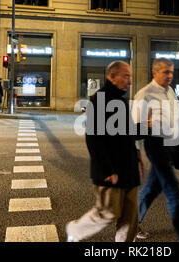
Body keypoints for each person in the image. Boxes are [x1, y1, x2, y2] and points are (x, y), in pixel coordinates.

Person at [65, 61, 143, 242]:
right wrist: (107, 169)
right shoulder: (99, 100)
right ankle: (75, 230)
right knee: (108, 213)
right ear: (111, 76)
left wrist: (138, 157)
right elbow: (93, 139)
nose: (129, 81)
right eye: (126, 76)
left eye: (130, 76)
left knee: (130, 218)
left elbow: (128, 133)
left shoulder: (121, 101)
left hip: (129, 170)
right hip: (111, 171)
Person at [132, 58, 179, 242]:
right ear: (155, 72)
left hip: (171, 145)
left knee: (152, 188)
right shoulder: (145, 94)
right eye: (166, 72)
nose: (170, 76)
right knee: (172, 190)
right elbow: (134, 127)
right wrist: (136, 154)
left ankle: (131, 225)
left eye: (171, 72)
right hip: (156, 145)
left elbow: (175, 114)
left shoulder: (171, 91)